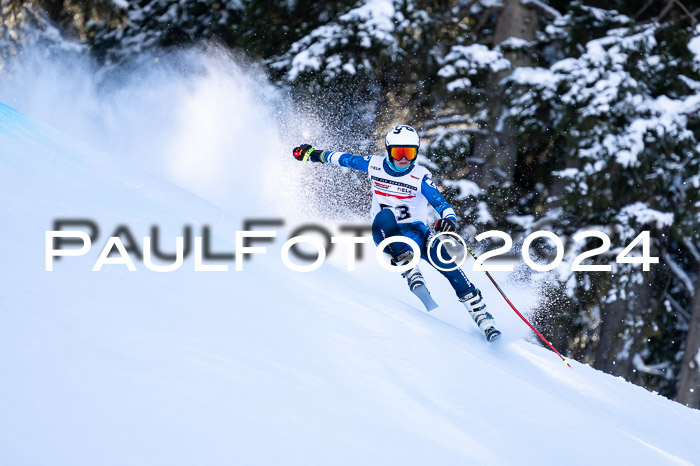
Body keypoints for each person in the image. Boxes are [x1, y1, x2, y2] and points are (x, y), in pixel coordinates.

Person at [293, 124, 501, 341]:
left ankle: (482, 315)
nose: (404, 159)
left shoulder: (419, 176)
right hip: (385, 233)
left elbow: (441, 203)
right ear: (388, 150)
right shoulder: (374, 165)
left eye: (409, 153)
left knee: (449, 267)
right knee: (385, 216)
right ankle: (408, 265)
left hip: (417, 232)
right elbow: (343, 158)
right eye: (398, 152)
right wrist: (311, 154)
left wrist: (448, 221)